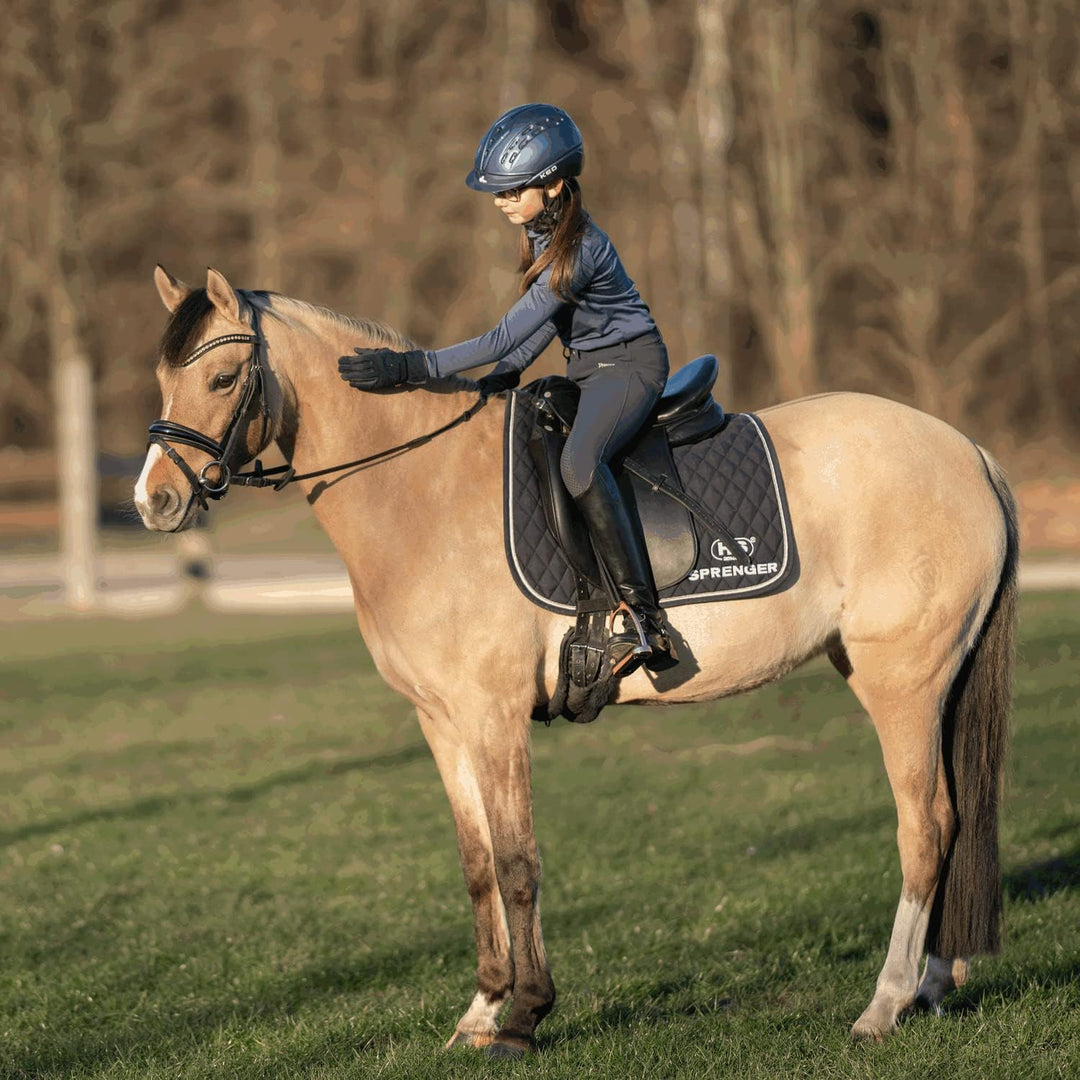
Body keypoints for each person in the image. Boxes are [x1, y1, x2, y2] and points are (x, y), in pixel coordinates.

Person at [338, 103, 677, 677]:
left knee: (579, 463)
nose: (500, 202)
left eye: (511, 190)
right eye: (498, 192)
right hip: (589, 368)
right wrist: (507, 375)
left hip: (630, 368)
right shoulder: (545, 233)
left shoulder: (577, 249)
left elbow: (498, 336)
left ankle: (645, 620)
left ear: (553, 184)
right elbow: (538, 330)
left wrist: (411, 368)